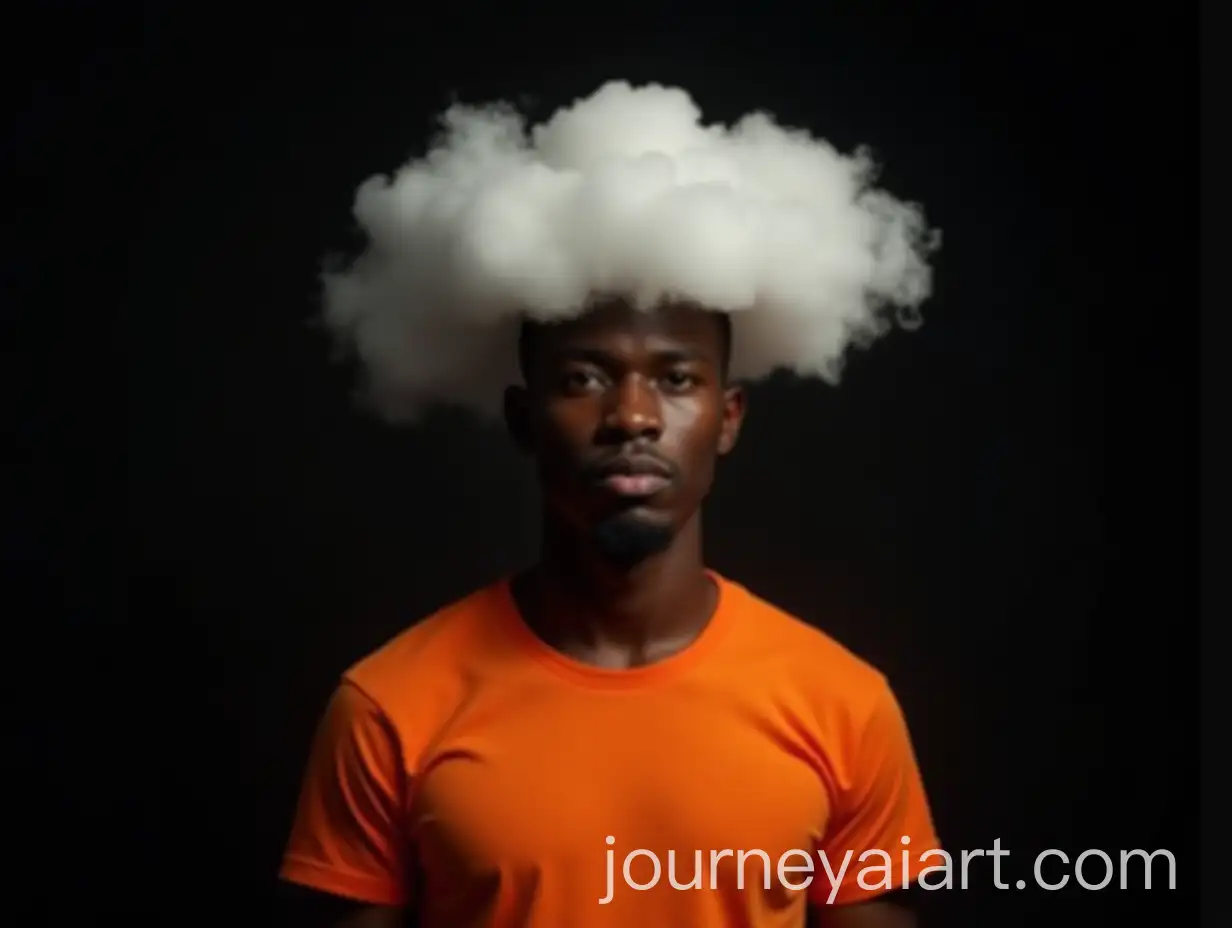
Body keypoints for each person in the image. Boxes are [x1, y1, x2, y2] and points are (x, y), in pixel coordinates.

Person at [279, 81, 942, 927]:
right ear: (525, 418)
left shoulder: (843, 704)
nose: (631, 417)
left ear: (727, 418)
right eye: (584, 378)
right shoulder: (389, 706)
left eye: (676, 379)